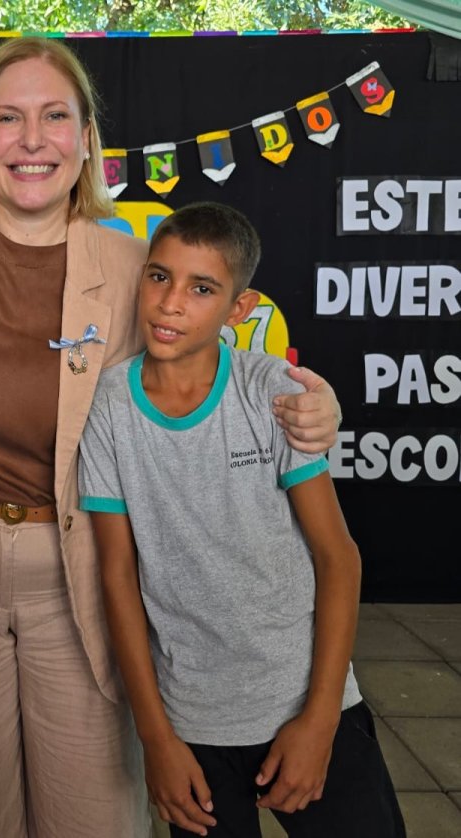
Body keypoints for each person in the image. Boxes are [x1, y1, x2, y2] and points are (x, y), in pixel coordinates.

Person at [0, 37, 343, 838]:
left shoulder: (133, 263)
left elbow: (210, 370)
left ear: (87, 140)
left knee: (95, 816)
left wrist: (313, 404)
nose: (32, 140)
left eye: (55, 117)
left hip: (82, 579)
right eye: (8, 118)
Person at [79, 202, 405, 838]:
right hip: (192, 724)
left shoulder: (271, 392)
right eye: (159, 276)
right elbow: (117, 576)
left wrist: (320, 722)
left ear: (239, 308)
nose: (171, 303)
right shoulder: (109, 407)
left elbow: (338, 557)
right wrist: (156, 737)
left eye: (202, 288)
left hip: (310, 702)